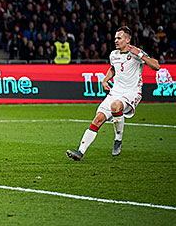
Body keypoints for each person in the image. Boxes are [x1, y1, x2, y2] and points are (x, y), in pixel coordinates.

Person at [66, 26, 160, 161]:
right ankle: (80, 152)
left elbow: (156, 66)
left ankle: (118, 140)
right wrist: (105, 80)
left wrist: (140, 54)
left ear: (127, 40)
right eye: (115, 38)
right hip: (115, 92)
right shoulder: (113, 54)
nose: (116, 40)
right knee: (98, 119)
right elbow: (113, 69)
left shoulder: (137, 53)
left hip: (132, 93)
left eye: (119, 38)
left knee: (116, 106)